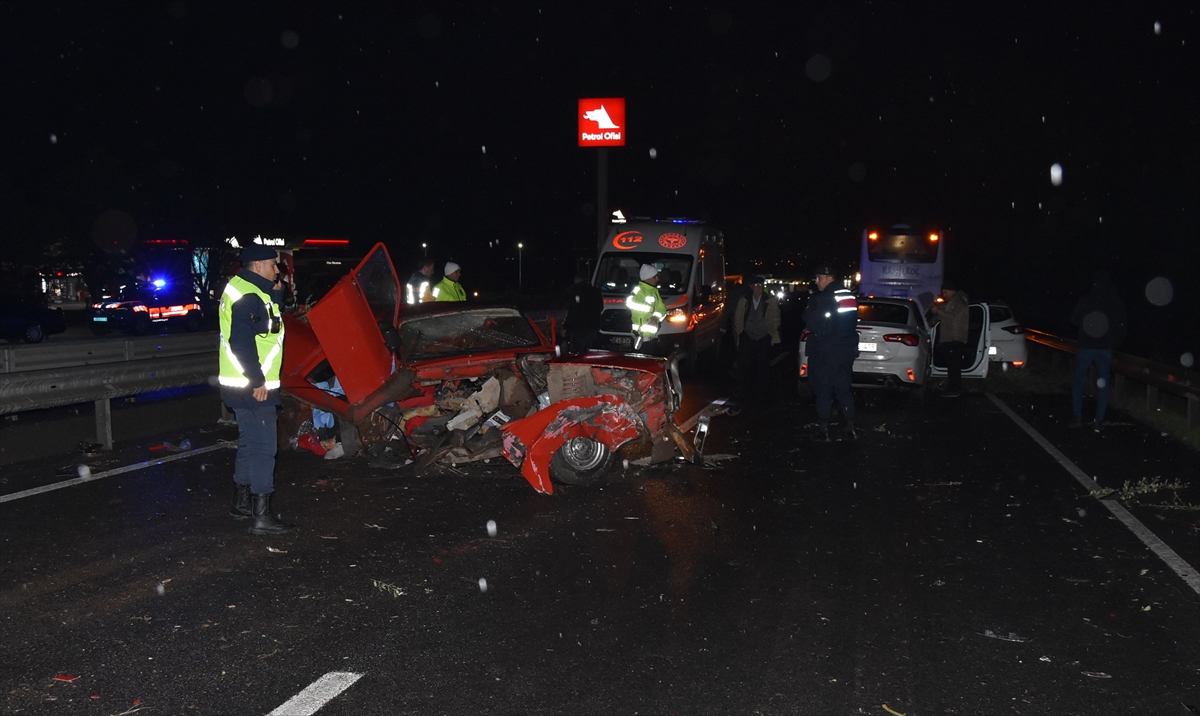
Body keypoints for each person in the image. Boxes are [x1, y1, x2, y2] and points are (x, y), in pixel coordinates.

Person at [219, 244, 294, 535]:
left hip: (240, 384)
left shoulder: (246, 290)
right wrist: (257, 380)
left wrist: (276, 294)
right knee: (264, 448)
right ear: (258, 266)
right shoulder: (249, 296)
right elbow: (241, 343)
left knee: (250, 443)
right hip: (252, 386)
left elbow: (266, 325)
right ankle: (261, 516)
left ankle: (240, 502)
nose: (277, 270)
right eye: (273, 265)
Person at [803, 263, 859, 441]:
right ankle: (850, 427)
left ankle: (824, 429)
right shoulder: (849, 295)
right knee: (843, 389)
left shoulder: (824, 297)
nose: (816, 281)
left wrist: (809, 315)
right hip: (846, 350)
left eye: (819, 278)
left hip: (827, 351)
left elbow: (813, 323)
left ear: (829, 278)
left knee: (824, 389)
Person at [1070, 270, 1127, 432]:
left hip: (1086, 346)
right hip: (1105, 347)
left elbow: (1074, 320)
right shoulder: (1116, 301)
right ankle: (1099, 421)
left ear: (1095, 283)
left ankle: (1077, 417)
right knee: (1103, 384)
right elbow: (1122, 325)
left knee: (1079, 382)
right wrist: (1115, 342)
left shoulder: (1086, 299)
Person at [732, 275, 781, 401]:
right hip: (747, 335)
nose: (759, 288)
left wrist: (771, 332)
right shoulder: (744, 300)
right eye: (756, 285)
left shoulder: (770, 300)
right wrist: (741, 332)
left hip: (763, 335)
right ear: (752, 287)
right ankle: (742, 388)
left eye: (761, 285)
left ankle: (763, 390)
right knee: (743, 363)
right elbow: (738, 316)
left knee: (763, 364)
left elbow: (776, 318)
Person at [929, 280, 970, 397]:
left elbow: (952, 316)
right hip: (951, 338)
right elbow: (945, 313)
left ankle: (954, 389)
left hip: (954, 338)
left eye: (945, 292)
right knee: (953, 366)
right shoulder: (953, 301)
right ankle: (955, 387)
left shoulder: (959, 301)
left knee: (954, 367)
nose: (944, 295)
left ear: (952, 291)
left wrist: (937, 311)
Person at [626, 264, 666, 352]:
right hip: (640, 337)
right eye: (655, 277)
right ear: (648, 278)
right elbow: (630, 303)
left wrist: (655, 317)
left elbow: (662, 309)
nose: (657, 279)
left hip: (651, 337)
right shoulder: (638, 290)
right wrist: (651, 309)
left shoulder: (654, 291)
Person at [564, 271, 603, 354]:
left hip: (579, 328)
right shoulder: (595, 291)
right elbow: (600, 307)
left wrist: (566, 327)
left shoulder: (574, 292)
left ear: (576, 279)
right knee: (589, 352)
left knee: (578, 352)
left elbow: (573, 311)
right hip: (593, 327)